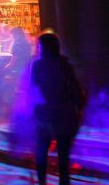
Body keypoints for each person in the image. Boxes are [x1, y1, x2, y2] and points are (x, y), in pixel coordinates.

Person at [31, 33, 87, 185]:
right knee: (63, 153)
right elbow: (75, 87)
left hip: (46, 111)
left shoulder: (38, 65)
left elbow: (33, 89)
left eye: (39, 46)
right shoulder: (64, 64)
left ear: (43, 47)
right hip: (65, 112)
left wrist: (32, 110)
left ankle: (42, 181)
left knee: (42, 149)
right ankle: (64, 182)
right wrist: (79, 107)